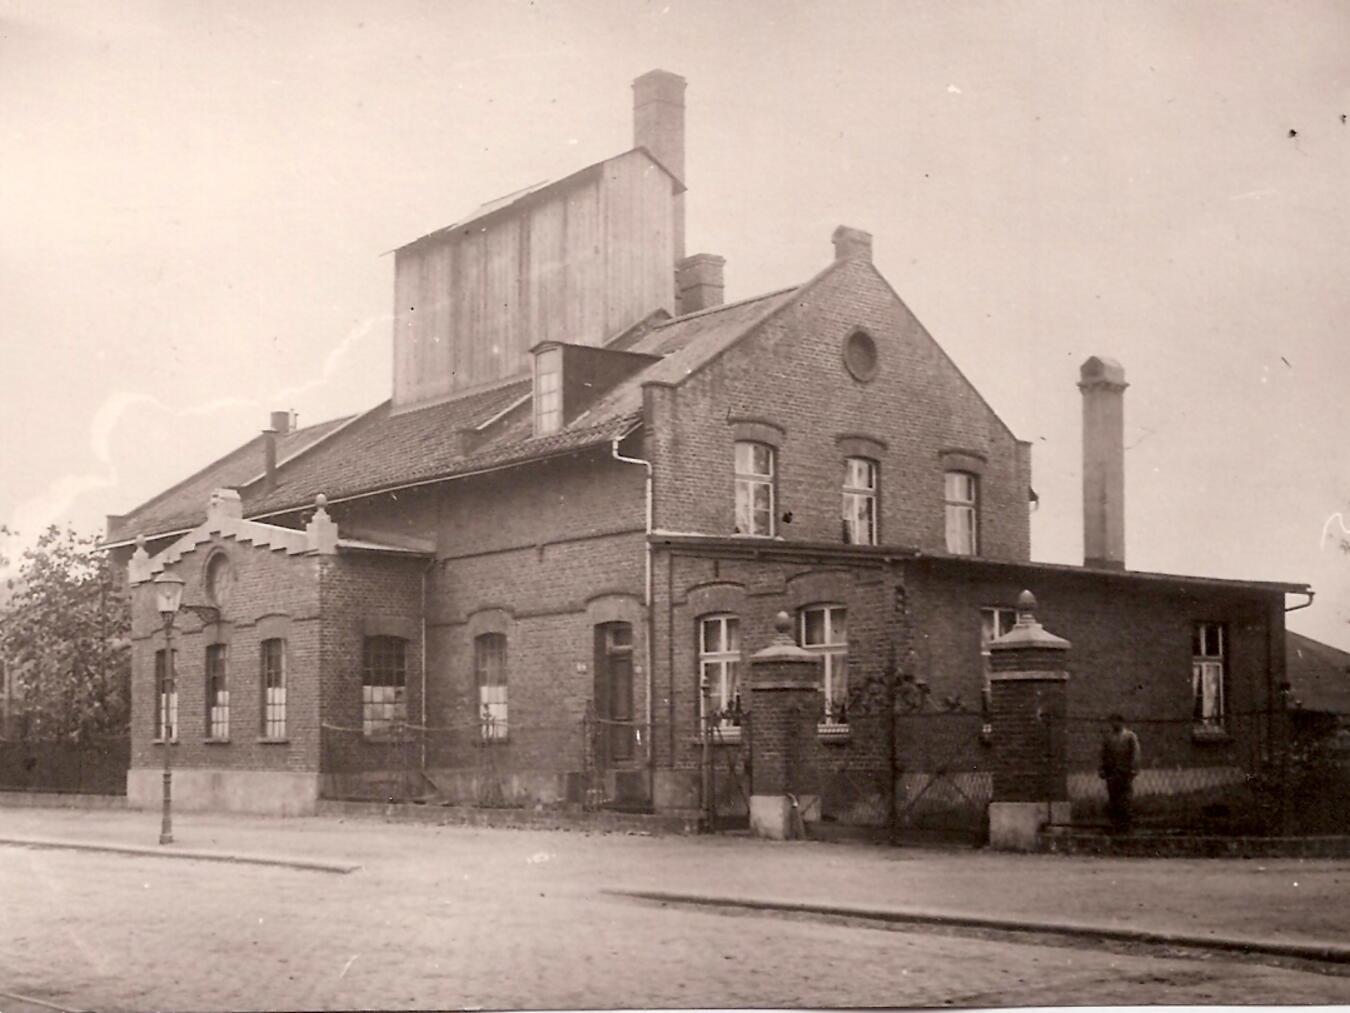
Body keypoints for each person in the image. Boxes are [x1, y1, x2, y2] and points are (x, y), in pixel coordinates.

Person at [1099, 713, 1141, 834]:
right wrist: (1102, 769)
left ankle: (1127, 827)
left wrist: (1133, 769)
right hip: (1111, 773)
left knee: (1126, 799)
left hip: (1125, 773)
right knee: (1113, 800)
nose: (1113, 724)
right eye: (1111, 722)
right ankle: (1115, 826)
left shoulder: (1130, 736)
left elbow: (1136, 753)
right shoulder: (1109, 738)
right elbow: (1104, 754)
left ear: (1121, 722)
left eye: (1116, 721)